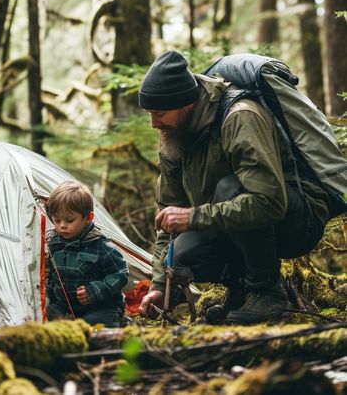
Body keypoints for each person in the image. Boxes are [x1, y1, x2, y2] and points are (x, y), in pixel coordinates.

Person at [137, 50, 331, 325]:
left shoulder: (239, 116)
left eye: (159, 113)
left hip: (298, 220)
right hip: (239, 225)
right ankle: (242, 292)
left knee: (231, 189)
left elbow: (268, 201)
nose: (154, 123)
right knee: (182, 253)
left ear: (187, 104)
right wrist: (158, 286)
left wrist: (193, 217)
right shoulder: (173, 137)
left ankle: (267, 291)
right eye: (149, 113)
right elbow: (168, 218)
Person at [45, 181, 129, 327]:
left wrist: (94, 291)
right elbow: (50, 278)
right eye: (56, 220)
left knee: (94, 324)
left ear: (88, 218)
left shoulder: (101, 245)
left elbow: (120, 274)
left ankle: (120, 322)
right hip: (66, 306)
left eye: (69, 220)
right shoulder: (53, 244)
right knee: (46, 317)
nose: (62, 225)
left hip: (101, 306)